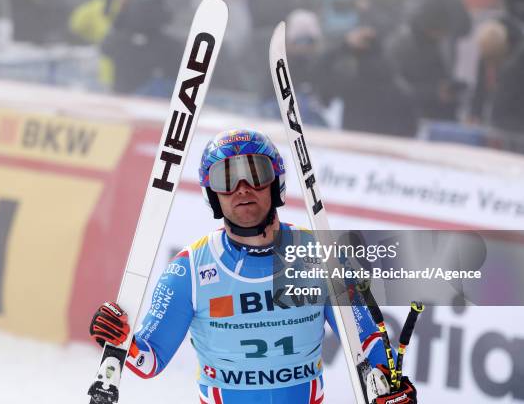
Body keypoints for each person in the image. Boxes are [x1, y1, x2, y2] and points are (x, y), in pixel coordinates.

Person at [90, 130, 417, 403]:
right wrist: (120, 339)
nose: (243, 188)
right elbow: (149, 361)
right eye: (226, 178)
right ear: (212, 194)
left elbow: (365, 337)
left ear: (276, 184)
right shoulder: (188, 272)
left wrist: (388, 383)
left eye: (256, 174)